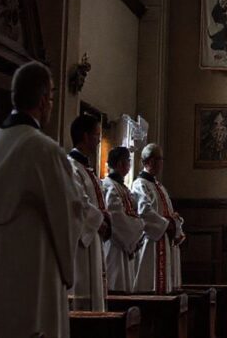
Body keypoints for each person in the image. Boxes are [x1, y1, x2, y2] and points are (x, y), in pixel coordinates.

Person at [0, 61, 80, 338]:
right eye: (52, 98)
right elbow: (67, 215)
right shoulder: (43, 149)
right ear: (43, 100)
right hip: (33, 267)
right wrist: (69, 272)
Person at [68, 114, 110, 311]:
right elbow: (77, 201)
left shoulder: (86, 168)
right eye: (96, 135)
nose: (99, 140)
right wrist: (99, 221)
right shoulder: (71, 166)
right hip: (81, 245)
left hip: (93, 240)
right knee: (82, 298)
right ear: (85, 137)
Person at [132, 143, 185, 293]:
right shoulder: (140, 185)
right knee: (150, 287)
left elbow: (170, 213)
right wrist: (167, 224)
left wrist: (175, 222)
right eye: (159, 159)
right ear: (149, 161)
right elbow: (144, 212)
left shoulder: (159, 186)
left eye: (161, 159)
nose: (161, 163)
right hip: (151, 244)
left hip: (164, 241)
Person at [103, 146, 145, 292]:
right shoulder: (109, 186)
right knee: (116, 286)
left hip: (126, 247)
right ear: (121, 163)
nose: (130, 164)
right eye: (128, 161)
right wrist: (139, 228)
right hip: (116, 247)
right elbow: (116, 218)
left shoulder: (123, 188)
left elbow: (134, 211)